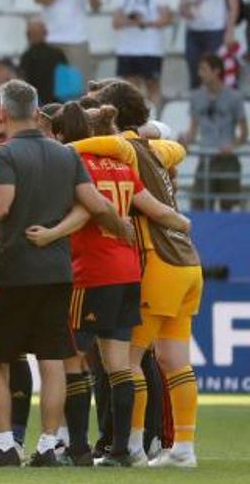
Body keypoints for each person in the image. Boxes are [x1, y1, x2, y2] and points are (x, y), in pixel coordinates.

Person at [0, 80, 130, 467]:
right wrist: (122, 228)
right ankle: (49, 445)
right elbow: (95, 204)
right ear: (36, 111)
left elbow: (1, 207)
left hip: (13, 271)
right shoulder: (66, 156)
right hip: (57, 272)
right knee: (52, 360)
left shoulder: (4, 154)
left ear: (2, 113)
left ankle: (4, 443)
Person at [40, 103, 191, 467]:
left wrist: (51, 233)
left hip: (90, 272)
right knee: (120, 365)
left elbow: (84, 212)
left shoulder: (73, 165)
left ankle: (76, 447)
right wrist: (183, 224)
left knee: (72, 359)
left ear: (62, 133)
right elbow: (154, 208)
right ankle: (122, 450)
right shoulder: (123, 166)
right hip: (128, 272)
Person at [187, 53, 247, 210]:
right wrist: (185, 140)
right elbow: (192, 130)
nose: (200, 73)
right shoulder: (196, 96)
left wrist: (232, 147)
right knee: (199, 206)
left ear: (216, 71)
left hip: (228, 160)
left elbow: (244, 132)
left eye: (204, 69)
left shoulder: (234, 97)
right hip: (206, 159)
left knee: (229, 208)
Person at [114, 0, 172, 110]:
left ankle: (155, 121)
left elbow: (166, 19)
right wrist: (131, 21)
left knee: (152, 85)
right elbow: (116, 22)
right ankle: (136, 121)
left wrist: (145, 23)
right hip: (127, 47)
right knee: (130, 89)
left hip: (150, 47)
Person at [18, 18, 68, 106]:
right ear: (46, 33)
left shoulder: (26, 56)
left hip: (37, 104)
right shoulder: (57, 53)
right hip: (58, 102)